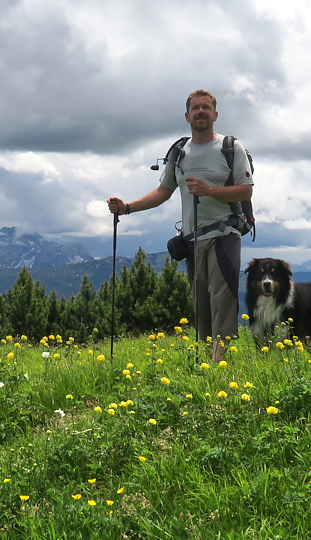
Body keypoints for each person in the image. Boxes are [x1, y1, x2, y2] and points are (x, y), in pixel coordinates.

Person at [107, 89, 253, 362]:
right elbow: (162, 192)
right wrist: (126, 208)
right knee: (201, 303)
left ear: (215, 115)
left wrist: (209, 191)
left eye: (206, 108)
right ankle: (210, 360)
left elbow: (245, 192)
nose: (201, 112)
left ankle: (219, 363)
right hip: (193, 239)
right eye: (196, 108)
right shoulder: (179, 153)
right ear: (187, 115)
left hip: (226, 233)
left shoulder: (231, 148)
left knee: (222, 299)